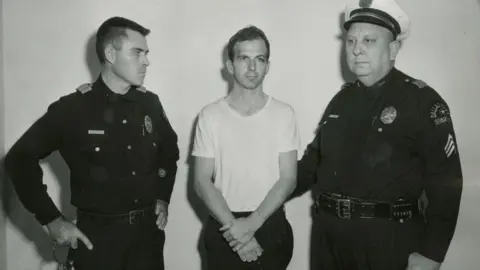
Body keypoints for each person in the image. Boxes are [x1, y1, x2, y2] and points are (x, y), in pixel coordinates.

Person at [291, 0, 463, 269]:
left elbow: (447, 182)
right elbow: (312, 164)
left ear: (393, 48)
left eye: (369, 40)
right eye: (350, 41)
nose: (357, 49)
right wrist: (265, 197)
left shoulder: (421, 101)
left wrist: (432, 253)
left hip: (387, 242)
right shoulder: (341, 100)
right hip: (328, 240)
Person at [4, 16, 179, 270]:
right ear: (110, 54)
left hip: (147, 242)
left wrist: (163, 197)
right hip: (96, 242)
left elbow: (169, 151)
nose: (146, 61)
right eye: (137, 52)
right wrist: (51, 220)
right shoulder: (73, 109)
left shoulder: (149, 104)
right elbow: (19, 159)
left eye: (146, 53)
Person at [192, 25, 300, 270]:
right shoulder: (210, 115)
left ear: (267, 66)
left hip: (269, 225)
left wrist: (250, 225)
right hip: (224, 225)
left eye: (259, 59)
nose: (252, 68)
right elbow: (201, 181)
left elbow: (289, 178)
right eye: (244, 59)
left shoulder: (284, 114)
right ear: (230, 66)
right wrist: (236, 230)